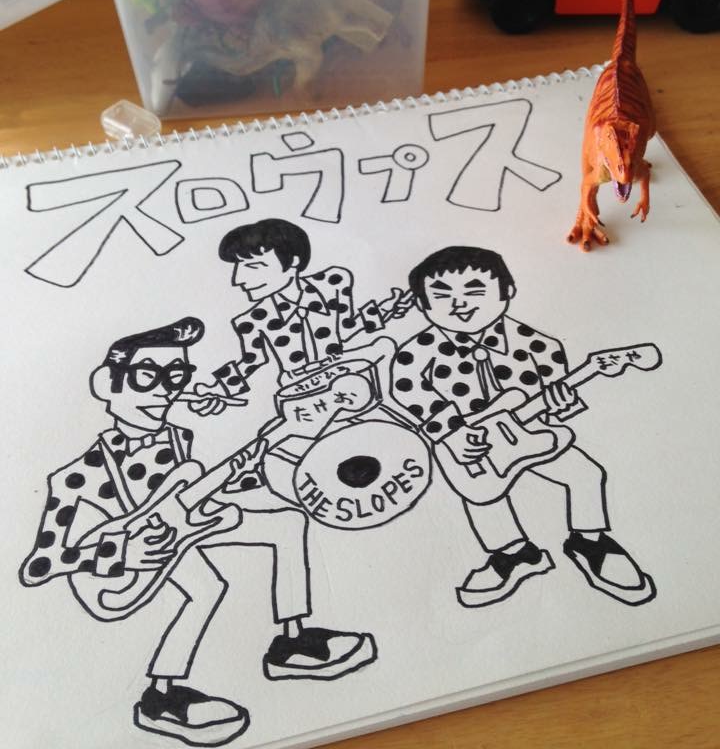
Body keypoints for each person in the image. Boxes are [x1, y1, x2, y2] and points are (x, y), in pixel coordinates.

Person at [20, 317, 376, 746]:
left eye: (175, 377)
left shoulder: (179, 439)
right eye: (146, 376)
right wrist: (120, 555)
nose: (163, 391)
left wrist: (264, 457)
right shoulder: (76, 476)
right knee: (206, 588)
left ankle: (292, 642)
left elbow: (187, 497)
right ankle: (161, 696)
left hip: (179, 529)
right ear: (105, 383)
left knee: (286, 521)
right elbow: (39, 565)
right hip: (128, 562)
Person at [390, 246, 655, 608]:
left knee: (585, 474)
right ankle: (514, 554)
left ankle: (590, 542)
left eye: (475, 291)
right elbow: (408, 389)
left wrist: (560, 403)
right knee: (483, 497)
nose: (459, 304)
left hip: (530, 437)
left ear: (507, 291)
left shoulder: (540, 345)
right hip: (468, 447)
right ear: (422, 305)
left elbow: (549, 407)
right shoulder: (417, 351)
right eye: (442, 296)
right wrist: (452, 431)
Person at [194, 218, 410, 410]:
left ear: (294, 262)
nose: (238, 280)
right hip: (300, 393)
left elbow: (346, 328)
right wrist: (217, 389)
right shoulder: (252, 320)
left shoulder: (333, 282)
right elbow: (251, 361)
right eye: (238, 267)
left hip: (347, 377)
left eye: (253, 266)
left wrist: (386, 309)